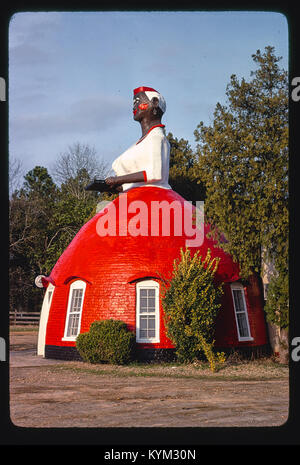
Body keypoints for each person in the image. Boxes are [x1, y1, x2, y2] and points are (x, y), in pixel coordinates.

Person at [105, 86, 171, 193]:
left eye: (137, 102)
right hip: (135, 196)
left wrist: (117, 180)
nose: (134, 107)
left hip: (153, 195)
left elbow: (154, 173)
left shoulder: (157, 138)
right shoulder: (140, 143)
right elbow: (139, 182)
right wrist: (120, 187)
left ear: (154, 102)